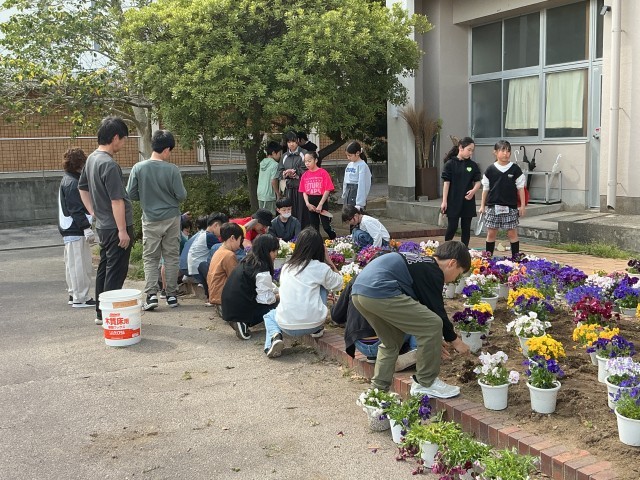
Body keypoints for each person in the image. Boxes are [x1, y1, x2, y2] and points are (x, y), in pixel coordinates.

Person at [351, 241, 471, 398]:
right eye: (459, 273)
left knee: (391, 341)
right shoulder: (433, 270)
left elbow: (421, 312)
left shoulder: (420, 262)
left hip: (359, 293)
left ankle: (377, 391)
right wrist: (456, 341)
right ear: (452, 263)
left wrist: (433, 341)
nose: (455, 279)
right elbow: (437, 313)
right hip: (381, 290)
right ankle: (426, 382)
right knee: (433, 323)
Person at [78, 116, 134, 326]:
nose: (124, 143)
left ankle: (101, 313)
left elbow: (82, 187)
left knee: (105, 267)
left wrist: (93, 211)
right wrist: (122, 230)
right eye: (124, 139)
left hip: (103, 225)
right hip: (115, 227)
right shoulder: (109, 165)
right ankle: (110, 315)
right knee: (116, 271)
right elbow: (117, 200)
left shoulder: (92, 159)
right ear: (116, 137)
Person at [127, 129, 187, 310]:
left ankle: (151, 295)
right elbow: (182, 195)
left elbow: (130, 193)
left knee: (150, 258)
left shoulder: (138, 168)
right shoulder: (172, 169)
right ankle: (171, 296)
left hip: (150, 218)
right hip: (171, 218)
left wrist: (146, 198)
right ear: (167, 149)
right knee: (171, 257)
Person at [263, 228, 343, 358]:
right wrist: (329, 261)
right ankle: (318, 330)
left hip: (286, 325)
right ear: (319, 248)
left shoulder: (287, 267)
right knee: (323, 285)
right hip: (314, 323)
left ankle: (274, 338)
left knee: (269, 316)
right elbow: (339, 283)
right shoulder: (320, 268)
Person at [331, 277, 418, 372]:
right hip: (385, 342)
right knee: (420, 314)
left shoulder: (356, 279)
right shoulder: (398, 279)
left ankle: (375, 356)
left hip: (360, 343)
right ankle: (414, 351)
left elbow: (336, 316)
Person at [222, 234, 280, 340]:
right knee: (277, 303)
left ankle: (238, 320)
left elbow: (265, 285)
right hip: (241, 311)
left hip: (229, 307)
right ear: (266, 251)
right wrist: (279, 296)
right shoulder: (262, 269)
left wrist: (277, 290)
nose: (276, 254)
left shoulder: (248, 261)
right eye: (274, 251)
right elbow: (265, 299)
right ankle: (243, 321)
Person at [58, 148, 95, 308]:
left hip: (70, 230)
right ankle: (81, 298)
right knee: (80, 265)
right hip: (75, 229)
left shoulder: (67, 179)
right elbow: (76, 209)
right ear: (80, 163)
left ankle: (74, 294)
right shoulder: (73, 183)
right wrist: (86, 227)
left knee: (72, 265)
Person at [479, 140, 526, 258]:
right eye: (503, 150)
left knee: (512, 233)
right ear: (495, 152)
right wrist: (482, 206)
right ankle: (488, 258)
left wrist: (522, 206)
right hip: (493, 207)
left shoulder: (515, 169)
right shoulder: (490, 169)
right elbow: (485, 189)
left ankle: (516, 259)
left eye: (508, 151)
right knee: (491, 233)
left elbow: (521, 188)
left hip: (510, 207)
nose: (506, 153)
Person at [440, 137, 482, 247]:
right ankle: (446, 247)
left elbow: (478, 182)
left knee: (466, 228)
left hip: (467, 201)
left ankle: (464, 249)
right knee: (452, 226)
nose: (471, 152)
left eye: (472, 150)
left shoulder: (473, 165)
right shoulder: (450, 164)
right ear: (461, 148)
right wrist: (444, 201)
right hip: (453, 200)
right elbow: (446, 183)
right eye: (469, 149)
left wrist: (473, 191)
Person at [206, 223, 244, 312]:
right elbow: (235, 280)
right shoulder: (229, 255)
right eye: (240, 240)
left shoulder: (218, 251)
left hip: (215, 297)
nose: (240, 245)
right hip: (224, 299)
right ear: (232, 238)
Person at [299, 151, 337, 240]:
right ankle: (318, 243)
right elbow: (304, 191)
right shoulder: (305, 175)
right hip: (310, 202)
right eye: (305, 161)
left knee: (326, 226)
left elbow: (327, 189)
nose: (307, 163)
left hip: (321, 200)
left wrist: (321, 204)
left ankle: (334, 238)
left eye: (309, 161)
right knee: (314, 227)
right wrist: (307, 204)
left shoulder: (323, 173)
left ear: (315, 160)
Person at [278, 131, 309, 228]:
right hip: (289, 189)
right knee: (289, 213)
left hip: (302, 190)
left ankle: (304, 233)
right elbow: (279, 172)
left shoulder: (304, 153)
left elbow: (308, 170)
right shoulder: (284, 156)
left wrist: (295, 173)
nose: (291, 144)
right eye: (289, 142)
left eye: (293, 141)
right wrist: (285, 174)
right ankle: (291, 234)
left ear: (298, 141)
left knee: (302, 214)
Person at [187, 212, 228, 285]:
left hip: (194, 269)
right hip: (199, 271)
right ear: (216, 225)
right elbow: (224, 250)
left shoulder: (202, 234)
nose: (223, 232)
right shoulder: (210, 236)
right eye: (222, 228)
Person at [342, 141, 371, 210]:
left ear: (357, 153)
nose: (348, 158)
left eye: (350, 155)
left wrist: (359, 203)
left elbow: (363, 184)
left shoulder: (362, 166)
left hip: (356, 193)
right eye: (347, 155)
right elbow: (345, 181)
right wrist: (344, 194)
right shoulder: (349, 165)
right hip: (348, 193)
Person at [257, 141, 283, 215]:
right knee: (270, 216)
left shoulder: (262, 162)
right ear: (274, 153)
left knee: (262, 216)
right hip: (269, 194)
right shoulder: (275, 164)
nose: (280, 156)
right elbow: (273, 181)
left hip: (260, 193)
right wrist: (278, 194)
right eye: (279, 153)